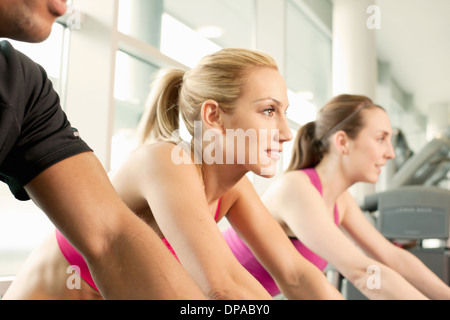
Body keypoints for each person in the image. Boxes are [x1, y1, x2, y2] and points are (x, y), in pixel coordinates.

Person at [6, 47, 344, 300]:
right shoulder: (168, 160)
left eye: (284, 113)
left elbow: (295, 273)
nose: (286, 133)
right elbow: (222, 286)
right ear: (213, 115)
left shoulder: (235, 188)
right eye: (269, 111)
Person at [0, 0, 205, 299]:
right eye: (267, 110)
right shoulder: (167, 163)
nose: (62, 5)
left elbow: (112, 237)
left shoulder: (24, 86)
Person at [223, 94, 450, 299]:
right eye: (381, 139)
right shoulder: (296, 188)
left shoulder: (341, 201)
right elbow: (361, 273)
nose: (390, 153)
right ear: (342, 142)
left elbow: (393, 257)